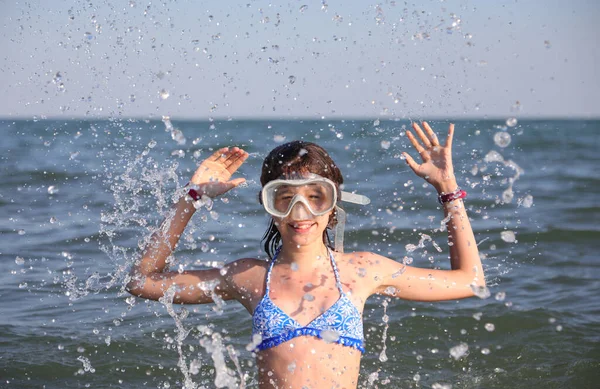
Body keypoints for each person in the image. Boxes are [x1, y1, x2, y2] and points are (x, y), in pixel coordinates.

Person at [127, 122, 485, 389]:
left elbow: (471, 281)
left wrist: (447, 188)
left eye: (316, 197)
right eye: (285, 198)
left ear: (333, 205)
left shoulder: (362, 270)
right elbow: (141, 281)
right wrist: (191, 198)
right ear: (269, 205)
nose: (301, 211)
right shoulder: (250, 277)